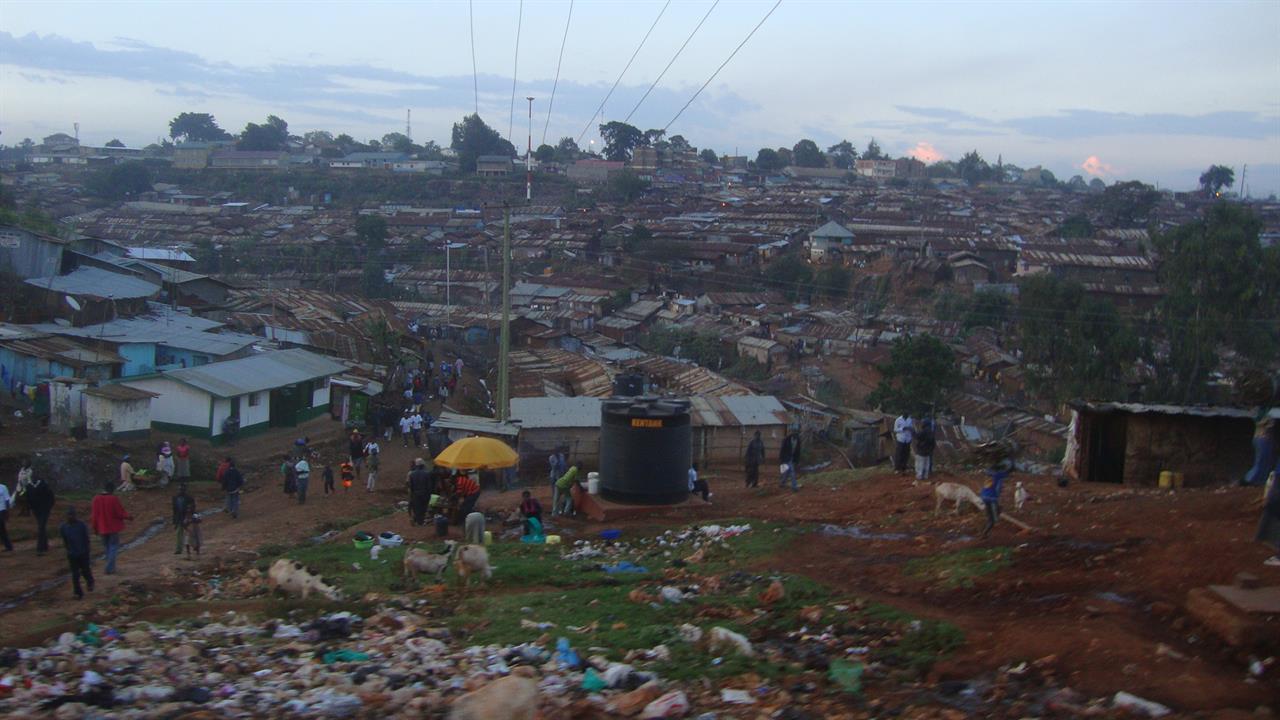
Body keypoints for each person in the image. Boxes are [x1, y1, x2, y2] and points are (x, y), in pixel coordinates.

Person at [90, 482, 129, 574]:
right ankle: (109, 568)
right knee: (113, 547)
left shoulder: (96, 499)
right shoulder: (113, 499)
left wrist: (95, 528)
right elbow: (119, 513)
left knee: (107, 548)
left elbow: (94, 516)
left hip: (102, 528)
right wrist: (128, 517)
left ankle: (111, 566)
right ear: (112, 489)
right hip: (113, 528)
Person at [59, 508, 93, 599]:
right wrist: (68, 550)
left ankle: (90, 582)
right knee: (75, 574)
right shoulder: (63, 527)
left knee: (85, 570)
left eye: (72, 515)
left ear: (75, 516)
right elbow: (65, 540)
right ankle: (77, 592)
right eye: (68, 515)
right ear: (66, 516)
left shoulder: (81, 525)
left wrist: (87, 549)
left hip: (83, 552)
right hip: (72, 553)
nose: (70, 517)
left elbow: (86, 538)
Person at [980, 459, 1012, 539]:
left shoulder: (989, 473)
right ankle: (992, 524)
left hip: (984, 496)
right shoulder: (999, 475)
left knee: (990, 516)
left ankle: (985, 532)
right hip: (992, 498)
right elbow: (1008, 471)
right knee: (995, 517)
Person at [26, 474, 55, 555]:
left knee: (41, 527)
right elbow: (28, 499)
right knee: (41, 527)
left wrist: (49, 507)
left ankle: (40, 548)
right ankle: (45, 545)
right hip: (36, 511)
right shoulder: (29, 486)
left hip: (45, 510)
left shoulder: (43, 485)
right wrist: (30, 509)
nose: (32, 479)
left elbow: (51, 497)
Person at [407, 458, 433, 526]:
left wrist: (412, 495)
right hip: (424, 493)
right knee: (423, 508)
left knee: (417, 508)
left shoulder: (412, 474)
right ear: (422, 465)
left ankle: (418, 521)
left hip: (415, 494)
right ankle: (420, 522)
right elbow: (429, 486)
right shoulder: (427, 473)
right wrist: (429, 494)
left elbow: (411, 486)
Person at [172, 483, 195, 555]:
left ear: (185, 490)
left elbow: (192, 509)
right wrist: (174, 521)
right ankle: (179, 549)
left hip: (187, 517)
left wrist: (189, 517)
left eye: (182, 489)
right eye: (179, 489)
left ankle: (194, 546)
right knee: (179, 533)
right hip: (179, 517)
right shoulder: (175, 498)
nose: (180, 491)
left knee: (189, 533)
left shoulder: (189, 498)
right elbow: (174, 510)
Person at [913, 417, 936, 483]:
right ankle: (925, 476)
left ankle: (919, 476)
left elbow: (917, 436)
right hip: (928, 451)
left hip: (921, 450)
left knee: (920, 464)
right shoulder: (931, 432)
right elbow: (933, 443)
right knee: (926, 464)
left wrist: (913, 431)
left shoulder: (924, 431)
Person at [0, 478, 12, 552]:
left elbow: (7, 500)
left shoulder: (3, 487)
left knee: (2, 529)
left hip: (2, 510)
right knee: (2, 530)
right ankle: (8, 546)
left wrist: (7, 511)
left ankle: (8, 546)